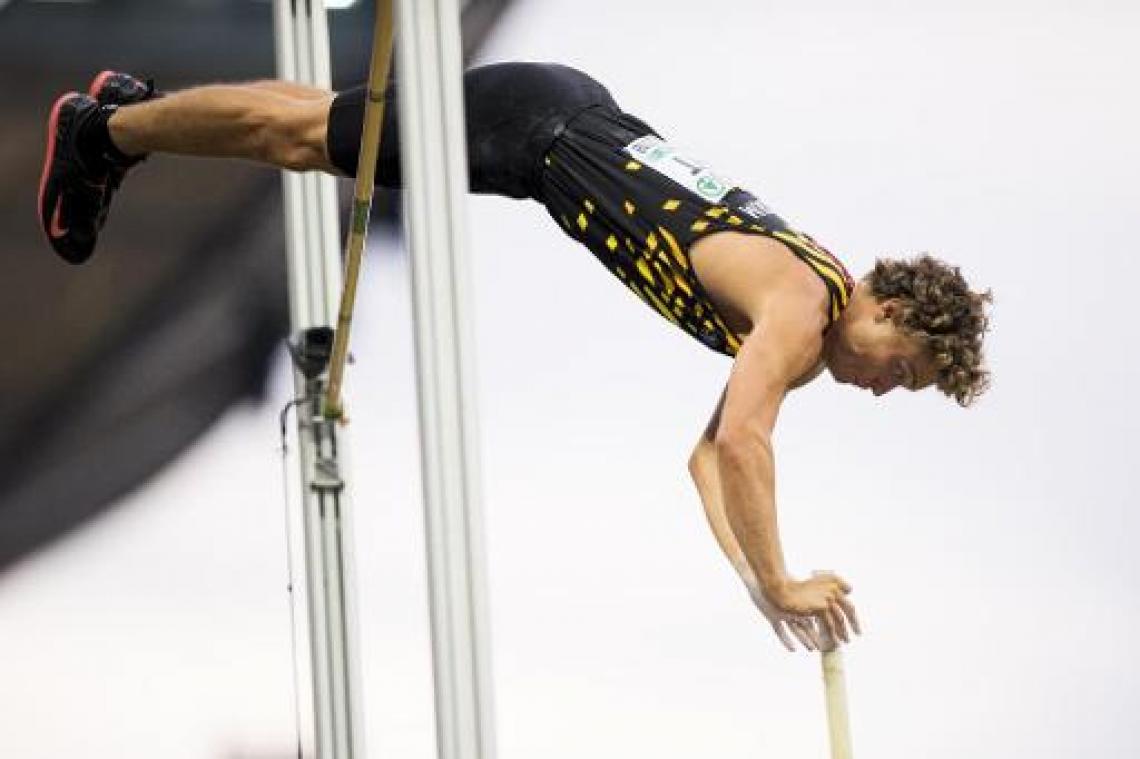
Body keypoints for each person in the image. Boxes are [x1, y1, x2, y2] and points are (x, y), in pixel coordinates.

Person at [38, 62, 991, 652]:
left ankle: (131, 113)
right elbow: (744, 443)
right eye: (902, 367)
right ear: (892, 305)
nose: (882, 387)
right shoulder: (800, 306)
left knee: (319, 124)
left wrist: (757, 585)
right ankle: (105, 131)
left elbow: (706, 457)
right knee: (299, 139)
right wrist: (783, 575)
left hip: (553, 126)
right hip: (539, 131)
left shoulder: (806, 312)